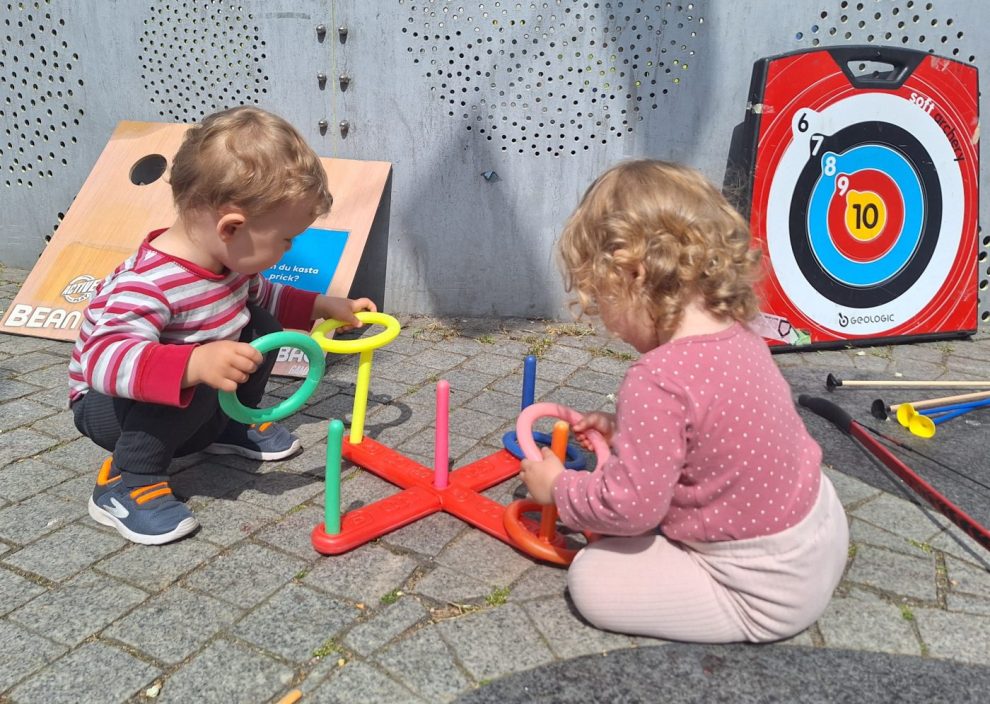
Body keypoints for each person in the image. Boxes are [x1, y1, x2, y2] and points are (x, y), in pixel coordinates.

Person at [519, 159, 848, 643]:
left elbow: (630, 511)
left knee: (592, 578)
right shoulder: (741, 337)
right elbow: (715, 430)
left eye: (600, 300)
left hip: (763, 593)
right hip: (822, 535)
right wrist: (626, 428)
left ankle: (739, 606)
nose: (607, 322)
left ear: (631, 274)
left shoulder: (657, 379)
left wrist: (559, 489)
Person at [68, 106, 376, 546]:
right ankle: (126, 481)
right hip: (108, 406)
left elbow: (264, 297)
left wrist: (322, 305)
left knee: (259, 325)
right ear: (232, 226)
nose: (288, 251)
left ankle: (231, 424)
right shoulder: (149, 284)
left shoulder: (228, 264)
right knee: (193, 371)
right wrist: (192, 363)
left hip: (183, 391)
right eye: (286, 239)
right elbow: (104, 361)